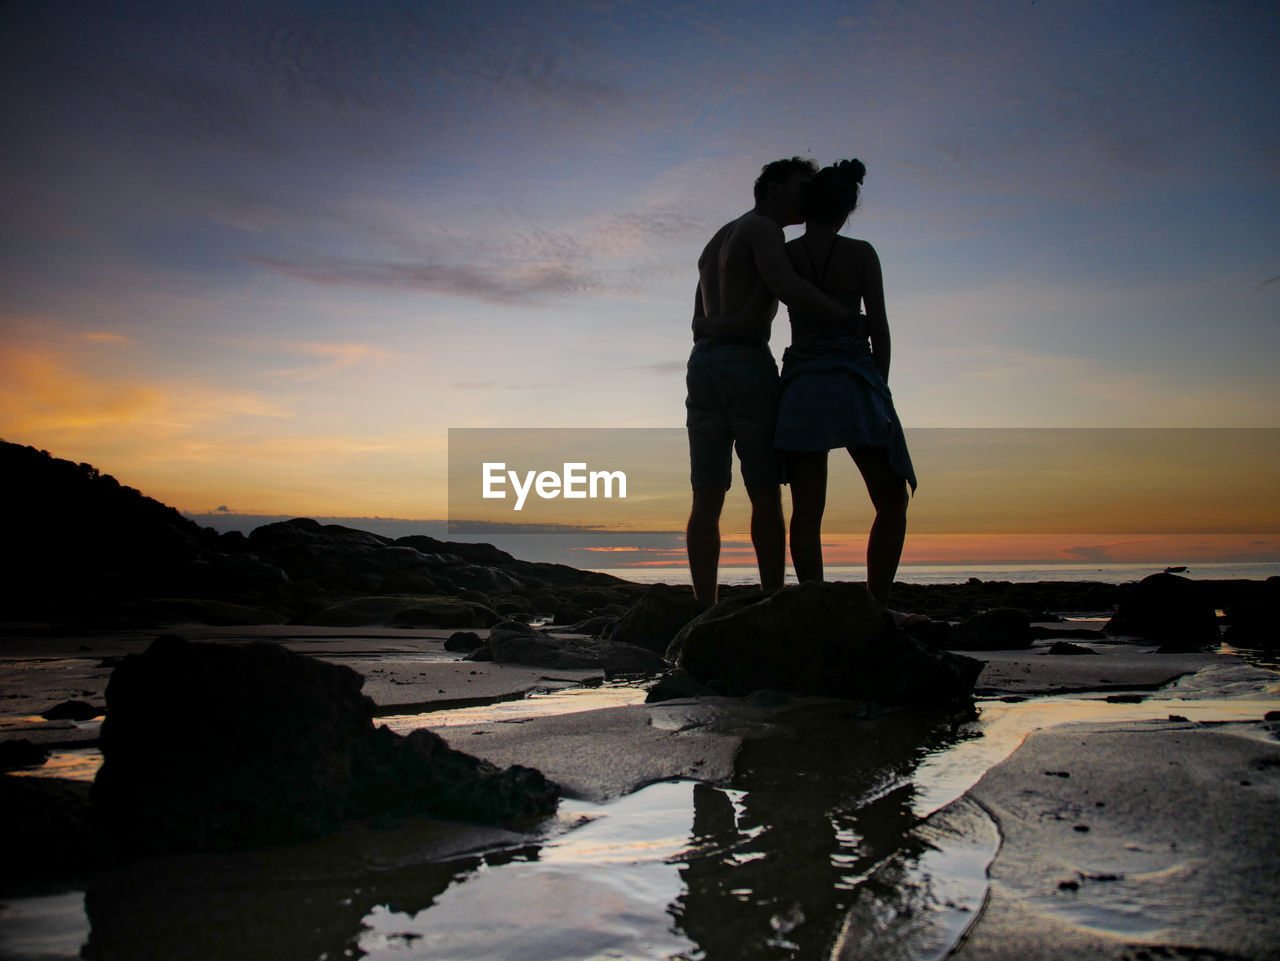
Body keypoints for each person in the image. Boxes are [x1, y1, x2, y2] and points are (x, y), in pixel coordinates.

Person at [686, 157, 865, 605]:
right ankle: (772, 601)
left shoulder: (717, 239)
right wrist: (846, 315)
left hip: (703, 365)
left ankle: (702, 608)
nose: (809, 195)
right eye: (802, 186)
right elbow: (785, 285)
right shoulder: (765, 229)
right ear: (774, 188)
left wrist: (727, 325)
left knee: (706, 495)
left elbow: (699, 321)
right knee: (763, 490)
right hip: (745, 364)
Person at [774, 159, 916, 607]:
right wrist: (882, 388)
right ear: (847, 209)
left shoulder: (787, 255)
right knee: (891, 501)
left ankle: (814, 604)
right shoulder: (861, 253)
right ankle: (877, 604)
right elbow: (879, 326)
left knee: (806, 513)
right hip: (854, 382)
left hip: (802, 387)